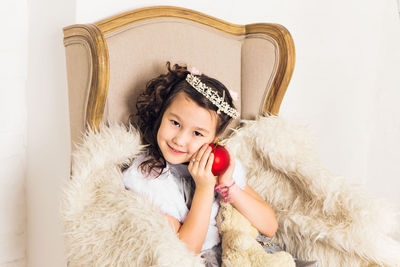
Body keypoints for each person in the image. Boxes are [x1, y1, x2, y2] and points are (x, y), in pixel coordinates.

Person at [122, 61, 279, 266]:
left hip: (241, 253)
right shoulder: (147, 176)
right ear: (161, 114)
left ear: (214, 139)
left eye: (197, 133)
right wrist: (204, 189)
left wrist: (228, 187)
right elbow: (185, 251)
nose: (179, 139)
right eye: (175, 123)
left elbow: (269, 226)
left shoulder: (219, 166)